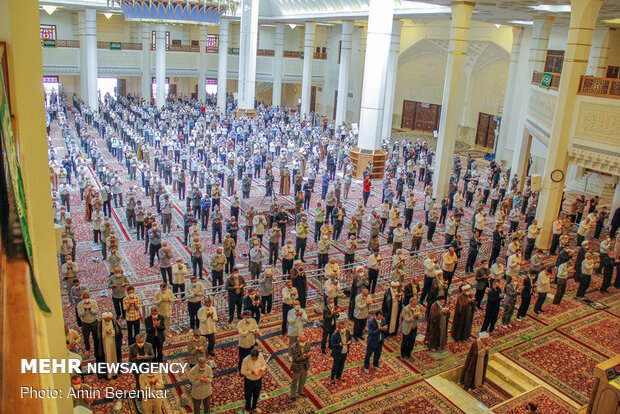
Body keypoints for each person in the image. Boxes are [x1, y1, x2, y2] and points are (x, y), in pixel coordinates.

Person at [95, 312, 122, 380]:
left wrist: (112, 332)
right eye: (107, 318)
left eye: (109, 318)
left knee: (114, 357)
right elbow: (98, 336)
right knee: (107, 358)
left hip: (113, 342)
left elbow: (118, 332)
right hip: (104, 343)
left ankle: (115, 373)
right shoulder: (100, 324)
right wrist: (106, 332)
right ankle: (108, 374)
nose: (108, 319)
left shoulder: (114, 322)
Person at [240, 348, 267, 414]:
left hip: (258, 380)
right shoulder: (246, 360)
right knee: (248, 396)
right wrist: (251, 372)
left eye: (255, 358)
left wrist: (261, 369)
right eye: (253, 358)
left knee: (256, 395)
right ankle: (247, 409)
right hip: (249, 381)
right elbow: (242, 372)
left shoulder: (260, 356)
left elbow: (264, 365)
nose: (254, 359)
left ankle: (254, 407)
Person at [290, 333, 312, 400]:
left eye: (304, 340)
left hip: (305, 365)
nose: (303, 342)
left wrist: (308, 356)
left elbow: (308, 355)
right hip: (297, 366)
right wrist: (304, 356)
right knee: (295, 381)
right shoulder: (293, 347)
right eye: (302, 341)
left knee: (303, 380)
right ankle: (293, 395)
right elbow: (295, 359)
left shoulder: (307, 345)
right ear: (298, 341)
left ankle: (300, 391)